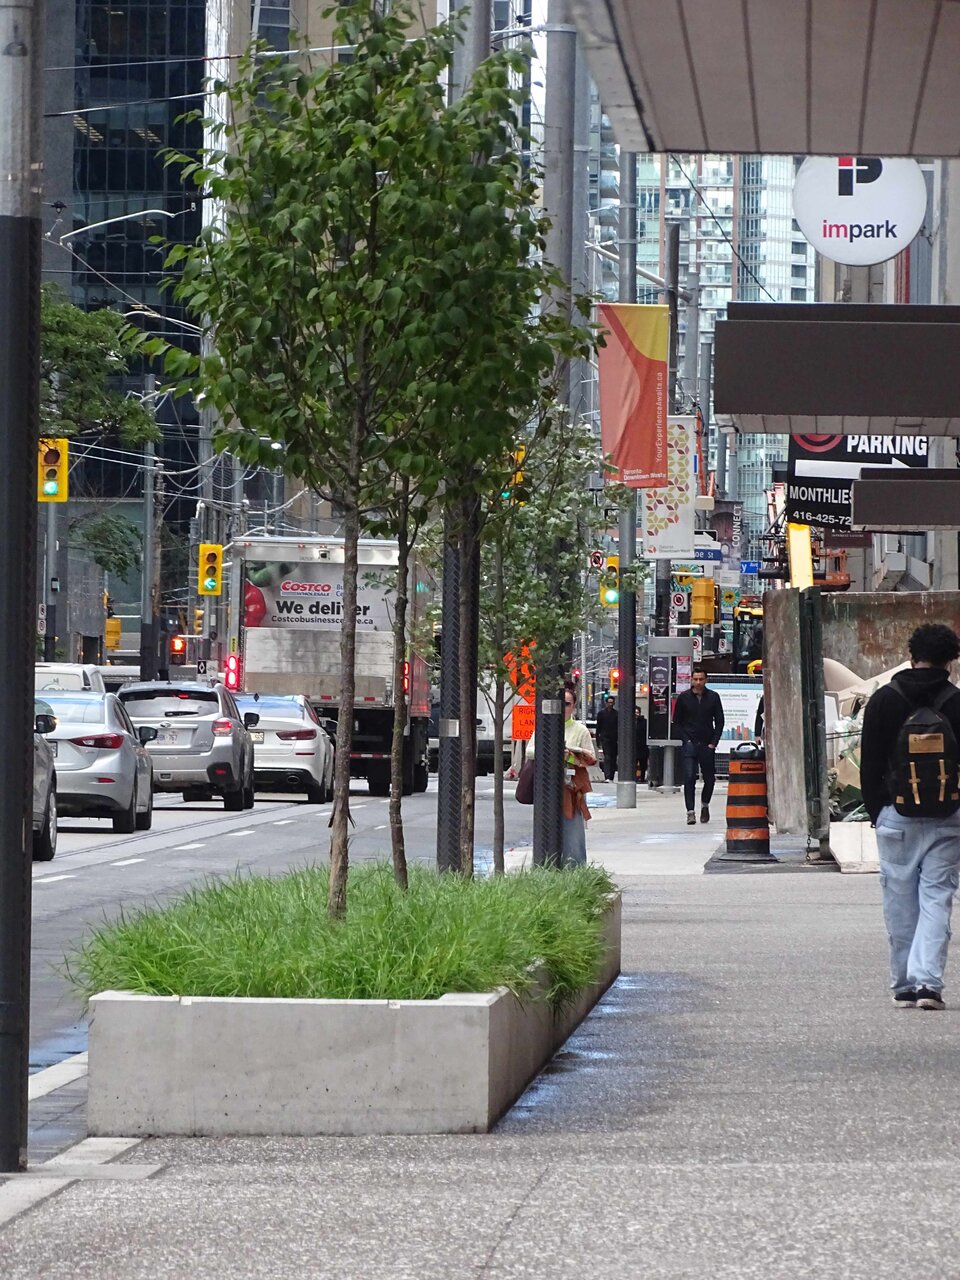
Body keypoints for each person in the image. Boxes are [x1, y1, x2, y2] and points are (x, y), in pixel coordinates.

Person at [860, 623, 960, 1011]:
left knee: (900, 902)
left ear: (911, 655)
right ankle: (928, 985)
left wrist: (879, 811)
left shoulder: (884, 700)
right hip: (947, 816)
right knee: (937, 898)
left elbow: (870, 764)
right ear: (951, 661)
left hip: (896, 815)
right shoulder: (956, 702)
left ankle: (903, 984)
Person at [526, 684, 597, 866]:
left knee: (572, 828)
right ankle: (546, 865)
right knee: (546, 827)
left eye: (566, 704)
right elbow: (530, 751)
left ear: (573, 706)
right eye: (559, 703)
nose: (563, 708)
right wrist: (552, 751)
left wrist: (571, 755)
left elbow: (590, 757)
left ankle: (574, 867)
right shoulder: (544, 727)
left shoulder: (580, 730)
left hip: (571, 786)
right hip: (547, 785)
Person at [672, 666, 724, 825]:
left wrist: (713, 743)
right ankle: (690, 812)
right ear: (691, 680)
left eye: (701, 679)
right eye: (695, 679)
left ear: (706, 680)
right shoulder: (684, 698)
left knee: (709, 778)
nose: (698, 682)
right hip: (690, 742)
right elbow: (677, 722)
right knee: (689, 777)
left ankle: (705, 805)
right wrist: (685, 740)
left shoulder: (713, 697)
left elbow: (720, 721)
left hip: (707, 743)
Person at [596, 695, 618, 781]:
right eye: (609, 702)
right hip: (605, 738)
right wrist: (598, 740)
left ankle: (611, 775)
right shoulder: (601, 714)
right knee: (607, 757)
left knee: (613, 757)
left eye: (612, 703)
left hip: (614, 739)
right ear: (606, 703)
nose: (610, 704)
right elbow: (598, 727)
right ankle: (607, 776)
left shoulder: (616, 714)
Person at [635, 708, 649, 782]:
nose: (636, 714)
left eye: (637, 712)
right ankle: (634, 777)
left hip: (643, 746)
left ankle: (642, 777)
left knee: (643, 763)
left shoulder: (644, 722)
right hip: (634, 746)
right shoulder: (631, 722)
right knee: (634, 763)